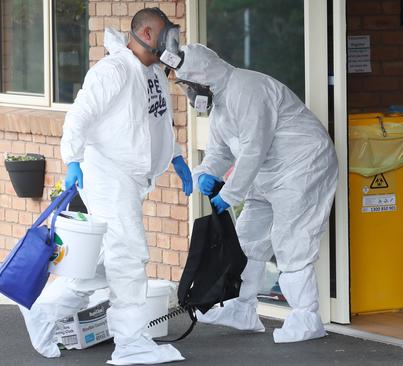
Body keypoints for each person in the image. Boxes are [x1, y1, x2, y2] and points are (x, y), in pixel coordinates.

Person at [20, 8, 191, 364]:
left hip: (132, 180)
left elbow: (157, 121)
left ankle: (41, 309)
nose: (171, 41)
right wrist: (72, 160)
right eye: (165, 33)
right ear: (145, 33)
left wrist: (174, 157)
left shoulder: (153, 72)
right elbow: (79, 115)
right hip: (110, 178)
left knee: (95, 266)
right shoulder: (113, 71)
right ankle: (131, 342)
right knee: (128, 256)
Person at [174, 44, 338, 343]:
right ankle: (243, 308)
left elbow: (253, 148)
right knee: (247, 238)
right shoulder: (221, 104)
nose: (188, 94)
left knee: (292, 240)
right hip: (267, 173)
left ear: (203, 79)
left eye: (188, 86)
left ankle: (306, 316)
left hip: (302, 166)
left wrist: (231, 194)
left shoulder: (247, 89)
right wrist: (205, 174)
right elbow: (219, 152)